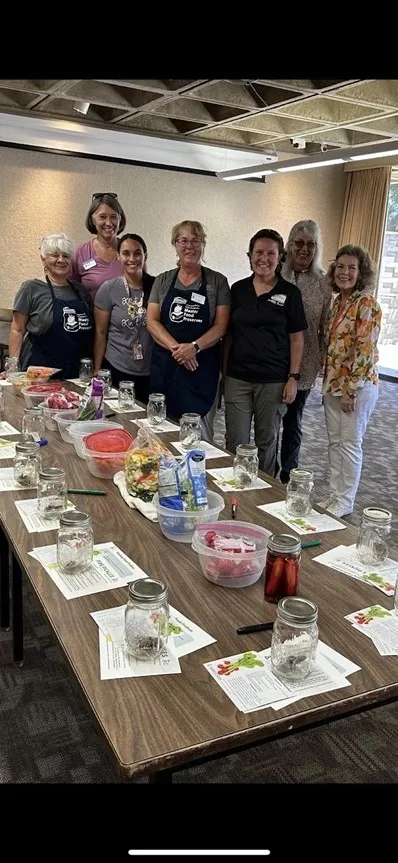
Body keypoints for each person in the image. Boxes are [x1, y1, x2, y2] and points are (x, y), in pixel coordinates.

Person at [223, 228, 307, 476]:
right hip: (238, 378)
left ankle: (264, 492)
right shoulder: (238, 290)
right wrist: (223, 374)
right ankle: (233, 486)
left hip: (273, 381)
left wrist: (293, 378)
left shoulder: (290, 293)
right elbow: (228, 335)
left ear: (280, 257)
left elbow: (297, 339)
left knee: (266, 441)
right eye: (259, 252)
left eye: (271, 253)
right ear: (250, 255)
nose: (264, 258)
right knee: (235, 440)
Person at [147, 220, 230, 441]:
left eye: (196, 240)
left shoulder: (218, 282)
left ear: (203, 245)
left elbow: (221, 325)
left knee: (199, 437)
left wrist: (194, 347)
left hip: (201, 370)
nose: (189, 246)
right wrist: (179, 350)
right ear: (175, 244)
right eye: (183, 240)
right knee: (163, 432)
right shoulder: (162, 280)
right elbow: (152, 321)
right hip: (167, 367)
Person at [319, 245, 381, 518]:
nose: (344, 273)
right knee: (334, 441)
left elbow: (365, 350)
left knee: (350, 443)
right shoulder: (338, 303)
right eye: (340, 267)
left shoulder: (366, 304)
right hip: (333, 383)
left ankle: (346, 499)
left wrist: (351, 390)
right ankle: (335, 493)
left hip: (357, 386)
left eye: (351, 268)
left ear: (361, 273)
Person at [277, 219, 332, 482]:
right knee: (269, 420)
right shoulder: (277, 274)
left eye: (311, 244)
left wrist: (323, 361)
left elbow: (326, 327)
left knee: (293, 422)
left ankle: (287, 474)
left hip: (305, 363)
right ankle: (265, 469)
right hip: (272, 359)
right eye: (299, 243)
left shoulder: (323, 283)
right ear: (289, 245)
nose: (304, 249)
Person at [9, 232, 94, 379]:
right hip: (40, 369)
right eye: (55, 255)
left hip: (75, 372)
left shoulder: (81, 291)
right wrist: (12, 367)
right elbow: (17, 329)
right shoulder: (31, 288)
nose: (61, 260)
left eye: (66, 256)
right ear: (43, 259)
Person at [94, 233, 155, 404]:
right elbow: (100, 332)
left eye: (137, 253)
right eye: (126, 253)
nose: (132, 259)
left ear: (145, 256)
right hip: (116, 367)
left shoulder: (157, 287)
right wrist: (97, 369)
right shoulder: (109, 289)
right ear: (118, 256)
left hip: (149, 370)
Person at [71, 193, 126, 299]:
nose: (108, 223)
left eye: (113, 217)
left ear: (120, 219)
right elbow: (69, 291)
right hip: (90, 310)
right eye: (102, 217)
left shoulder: (132, 252)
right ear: (92, 220)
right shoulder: (79, 253)